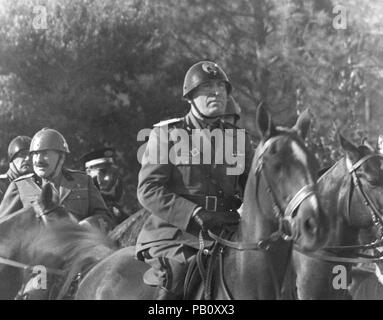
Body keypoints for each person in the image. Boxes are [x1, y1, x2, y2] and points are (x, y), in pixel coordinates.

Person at [136, 61, 254, 299]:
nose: (217, 92)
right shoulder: (166, 134)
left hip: (227, 230)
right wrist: (192, 213)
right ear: (190, 97)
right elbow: (148, 189)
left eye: (221, 87)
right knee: (178, 277)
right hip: (177, 234)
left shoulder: (238, 139)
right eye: (207, 87)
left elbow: (255, 187)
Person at [0, 128, 112, 232]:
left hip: (80, 249)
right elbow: (2, 227)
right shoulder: (19, 186)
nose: (38, 160)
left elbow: (105, 217)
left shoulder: (83, 181)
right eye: (35, 154)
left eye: (44, 153)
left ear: (61, 157)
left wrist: (86, 226)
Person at [80, 147, 129, 226]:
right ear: (88, 173)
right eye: (103, 172)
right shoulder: (82, 208)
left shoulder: (115, 209)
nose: (109, 177)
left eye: (111, 171)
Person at [0, 136, 33, 201]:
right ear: (12, 158)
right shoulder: (1, 185)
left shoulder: (37, 183)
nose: (28, 158)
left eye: (31, 155)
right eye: (22, 154)